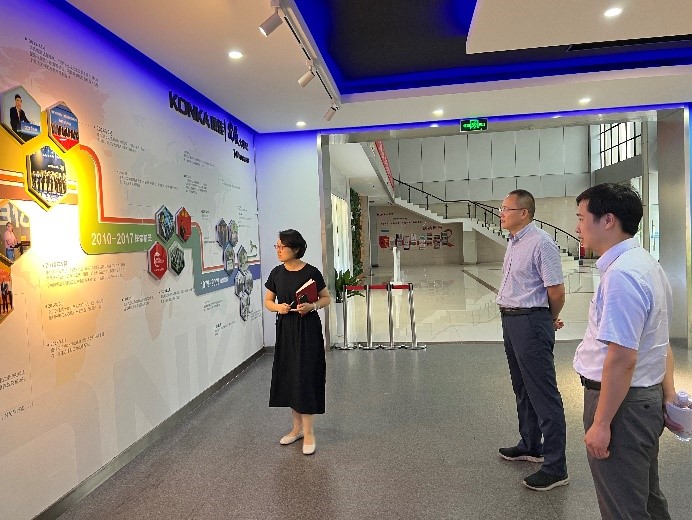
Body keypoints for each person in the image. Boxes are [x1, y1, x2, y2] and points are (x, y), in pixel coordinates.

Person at [574, 183, 682, 519]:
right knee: (646, 500)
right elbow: (659, 342)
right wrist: (668, 395)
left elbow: (622, 358)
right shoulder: (645, 263)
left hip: (622, 407)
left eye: (581, 218)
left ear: (608, 220)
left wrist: (602, 422)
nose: (577, 227)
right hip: (640, 400)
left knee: (624, 508)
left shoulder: (622, 275)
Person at [496, 189, 569, 491]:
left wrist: (547, 319)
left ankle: (556, 467)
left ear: (523, 213)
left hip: (530, 321)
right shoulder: (514, 241)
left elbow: (557, 291)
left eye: (506, 208)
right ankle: (530, 444)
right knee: (522, 388)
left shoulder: (541, 243)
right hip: (512, 320)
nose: (501, 213)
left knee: (543, 393)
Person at [264, 229, 331, 455]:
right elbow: (268, 301)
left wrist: (312, 306)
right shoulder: (276, 273)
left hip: (308, 329)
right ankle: (296, 429)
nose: (278, 250)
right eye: (276, 246)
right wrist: (278, 307)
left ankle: (309, 433)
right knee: (291, 376)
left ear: (295, 249)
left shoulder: (311, 272)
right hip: (286, 329)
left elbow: (326, 298)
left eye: (281, 246)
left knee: (305, 376)